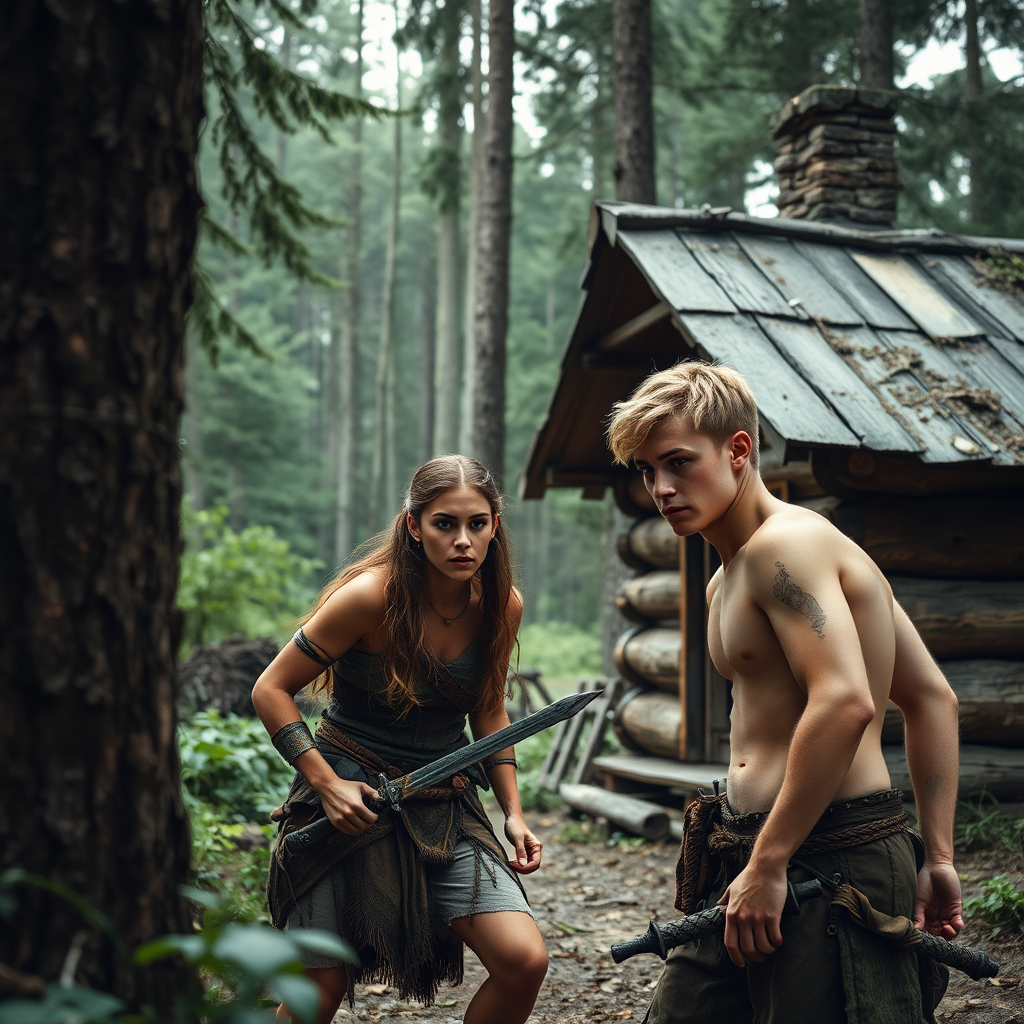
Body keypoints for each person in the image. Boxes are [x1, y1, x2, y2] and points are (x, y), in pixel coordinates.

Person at [606, 362, 963, 1024]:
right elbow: (933, 697)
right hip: (745, 854)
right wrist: (938, 856)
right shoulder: (729, 577)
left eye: (679, 463)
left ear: (739, 450)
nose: (661, 487)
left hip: (835, 858)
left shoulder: (787, 547)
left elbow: (847, 701)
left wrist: (770, 861)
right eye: (648, 470)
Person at [252, 455, 548, 1024]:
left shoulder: (501, 605)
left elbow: (488, 707)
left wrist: (512, 811)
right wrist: (327, 784)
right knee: (320, 986)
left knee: (523, 960)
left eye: (478, 524)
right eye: (444, 523)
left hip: (442, 801)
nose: (463, 540)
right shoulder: (367, 598)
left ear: (495, 525)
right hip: (348, 797)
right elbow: (271, 688)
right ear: (414, 525)